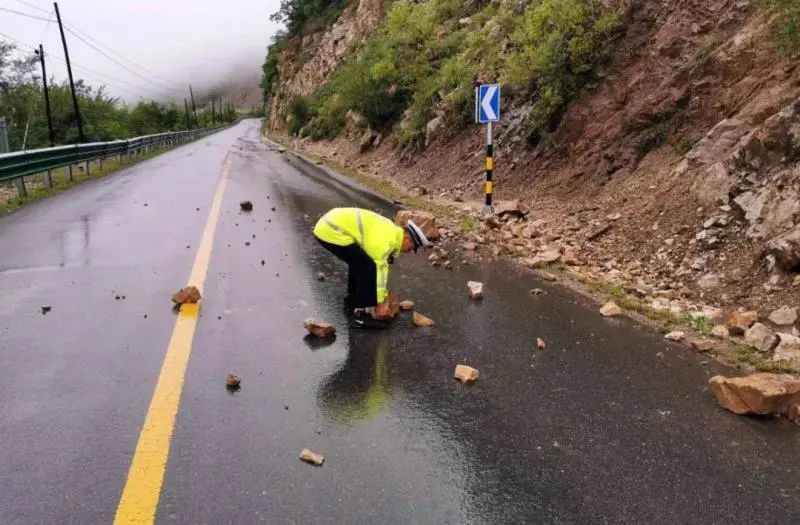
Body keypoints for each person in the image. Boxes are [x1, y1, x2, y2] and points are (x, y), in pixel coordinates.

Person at [313, 207, 430, 328]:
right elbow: (379, 271)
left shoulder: (391, 233)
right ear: (407, 240)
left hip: (329, 225)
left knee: (359, 262)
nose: (409, 252)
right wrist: (380, 303)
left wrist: (383, 296)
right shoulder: (386, 241)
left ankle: (352, 299)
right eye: (411, 248)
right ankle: (359, 317)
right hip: (331, 230)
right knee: (367, 267)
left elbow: (381, 269)